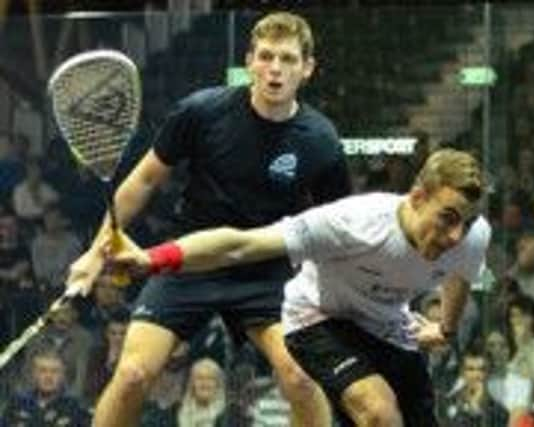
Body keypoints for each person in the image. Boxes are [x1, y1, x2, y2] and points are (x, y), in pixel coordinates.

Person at [66, 11, 350, 427]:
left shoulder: (321, 141)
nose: (275, 69)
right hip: (188, 261)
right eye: (266, 56)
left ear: (306, 69)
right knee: (131, 375)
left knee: (302, 377)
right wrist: (95, 253)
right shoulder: (201, 112)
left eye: (288, 59)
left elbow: (336, 226)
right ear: (249, 61)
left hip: (267, 272)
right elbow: (143, 180)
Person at [108, 148, 490, 426]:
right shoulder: (351, 224)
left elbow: (461, 276)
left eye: (466, 224)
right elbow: (241, 245)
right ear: (418, 197)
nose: (455, 235)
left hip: (387, 326)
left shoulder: (472, 237)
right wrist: (154, 259)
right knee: (379, 412)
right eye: (447, 218)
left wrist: (446, 329)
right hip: (317, 321)